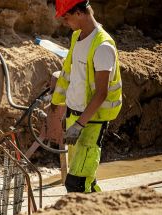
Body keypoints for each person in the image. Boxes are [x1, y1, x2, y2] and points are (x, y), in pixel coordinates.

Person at [51, 0, 122, 193]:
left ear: (80, 13)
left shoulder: (103, 46)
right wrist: (60, 107)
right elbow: (72, 76)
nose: (65, 22)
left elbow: (101, 92)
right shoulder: (77, 37)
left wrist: (80, 124)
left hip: (91, 122)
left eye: (66, 17)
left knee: (77, 183)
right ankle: (93, 214)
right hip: (75, 117)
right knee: (83, 181)